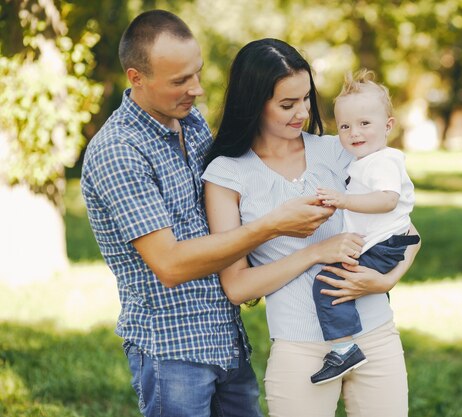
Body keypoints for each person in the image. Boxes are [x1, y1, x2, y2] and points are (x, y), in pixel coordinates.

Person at [80, 11, 338, 417]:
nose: (196, 90)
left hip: (225, 338)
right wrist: (273, 225)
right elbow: (169, 264)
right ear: (136, 78)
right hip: (172, 350)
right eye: (180, 81)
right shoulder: (119, 151)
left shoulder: (191, 122)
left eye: (196, 74)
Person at [202, 38, 420, 417]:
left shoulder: (339, 150)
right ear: (254, 103)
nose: (301, 112)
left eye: (306, 99)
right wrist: (315, 252)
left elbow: (408, 232)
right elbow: (237, 287)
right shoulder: (227, 174)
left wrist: (386, 281)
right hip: (300, 348)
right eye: (287, 104)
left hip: (377, 334)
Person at [311, 69, 420, 385]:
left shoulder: (383, 161)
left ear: (388, 126)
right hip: (383, 242)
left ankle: (345, 348)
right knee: (339, 277)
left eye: (364, 124)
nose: (354, 133)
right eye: (345, 126)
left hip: (386, 244)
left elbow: (386, 200)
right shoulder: (365, 160)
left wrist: (342, 201)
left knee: (328, 283)